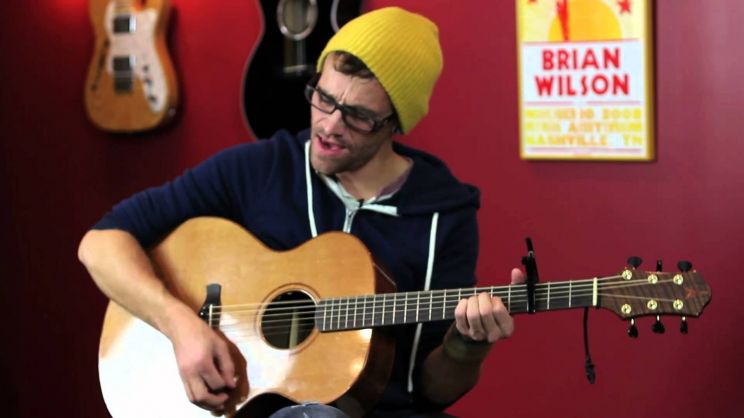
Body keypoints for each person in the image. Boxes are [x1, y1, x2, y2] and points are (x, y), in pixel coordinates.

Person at [78, 6, 524, 418]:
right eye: (323, 98)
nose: (329, 125)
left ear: (395, 123)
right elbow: (100, 245)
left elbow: (432, 391)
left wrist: (466, 347)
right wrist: (180, 325)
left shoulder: (444, 215)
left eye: (358, 116)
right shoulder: (260, 168)